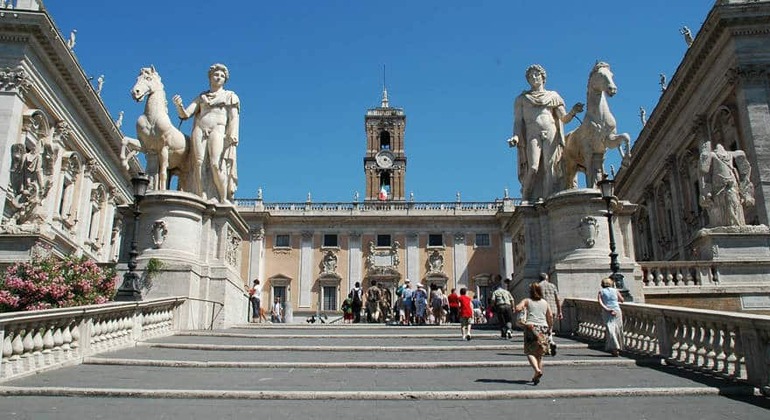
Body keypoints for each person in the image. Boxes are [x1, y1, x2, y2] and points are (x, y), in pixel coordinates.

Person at [508, 64, 583, 201]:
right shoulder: (522, 99)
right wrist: (516, 137)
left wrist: (573, 112)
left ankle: (548, 199)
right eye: (530, 76)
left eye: (536, 74)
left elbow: (563, 118)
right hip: (532, 134)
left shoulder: (553, 96)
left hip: (551, 131)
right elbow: (518, 122)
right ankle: (526, 198)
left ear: (543, 77)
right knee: (534, 167)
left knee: (551, 166)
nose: (533, 78)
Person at [173, 63, 240, 202]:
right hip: (200, 129)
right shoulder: (201, 97)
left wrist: (233, 134)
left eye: (222, 76)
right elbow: (185, 114)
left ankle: (223, 198)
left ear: (225, 80)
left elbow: (234, 118)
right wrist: (179, 105)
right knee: (198, 164)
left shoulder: (230, 96)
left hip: (218, 129)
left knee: (216, 163)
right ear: (210, 77)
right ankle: (202, 195)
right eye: (216, 75)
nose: (218, 77)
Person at [515, 283, 553, 385]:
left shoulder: (527, 301)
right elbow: (550, 316)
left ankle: (537, 370)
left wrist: (522, 307)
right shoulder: (545, 303)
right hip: (543, 328)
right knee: (540, 354)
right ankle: (536, 377)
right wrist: (549, 327)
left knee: (529, 352)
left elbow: (517, 308)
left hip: (531, 327)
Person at [598, 277, 625, 357]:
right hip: (617, 310)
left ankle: (614, 348)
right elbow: (622, 300)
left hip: (607, 311)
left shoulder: (601, 291)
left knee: (610, 330)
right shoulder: (615, 291)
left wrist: (607, 309)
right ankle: (617, 347)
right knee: (618, 329)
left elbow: (600, 302)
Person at [538, 273, 562, 355]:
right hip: (553, 309)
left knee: (543, 329)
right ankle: (550, 341)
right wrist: (560, 311)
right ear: (546, 278)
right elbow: (558, 299)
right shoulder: (552, 286)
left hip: (542, 309)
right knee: (550, 328)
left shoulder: (537, 286)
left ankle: (549, 344)